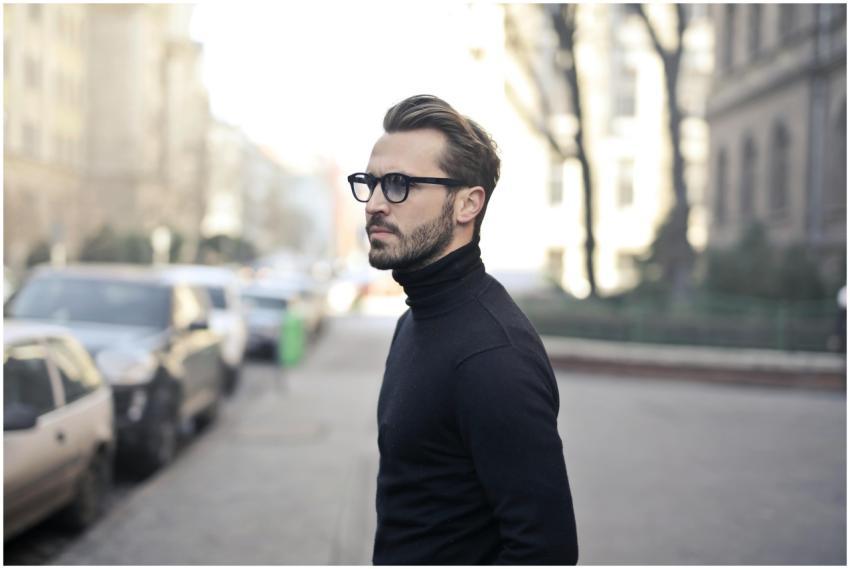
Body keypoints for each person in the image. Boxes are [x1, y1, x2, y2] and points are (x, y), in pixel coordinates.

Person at [348, 94, 578, 565]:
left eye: (397, 185)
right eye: (369, 184)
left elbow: (546, 552)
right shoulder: (413, 321)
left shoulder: (493, 355)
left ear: (467, 204)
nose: (373, 204)